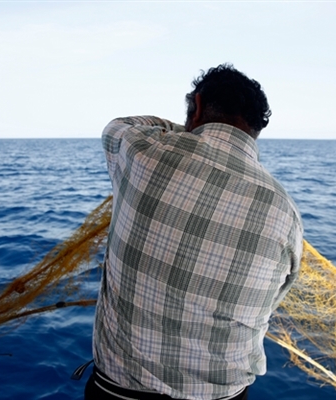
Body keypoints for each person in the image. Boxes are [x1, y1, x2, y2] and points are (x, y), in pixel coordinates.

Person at [87, 64, 303, 400]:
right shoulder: (284, 211)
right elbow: (273, 299)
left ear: (198, 106)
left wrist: (189, 132)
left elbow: (119, 127)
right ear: (256, 129)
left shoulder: (146, 152)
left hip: (120, 393)